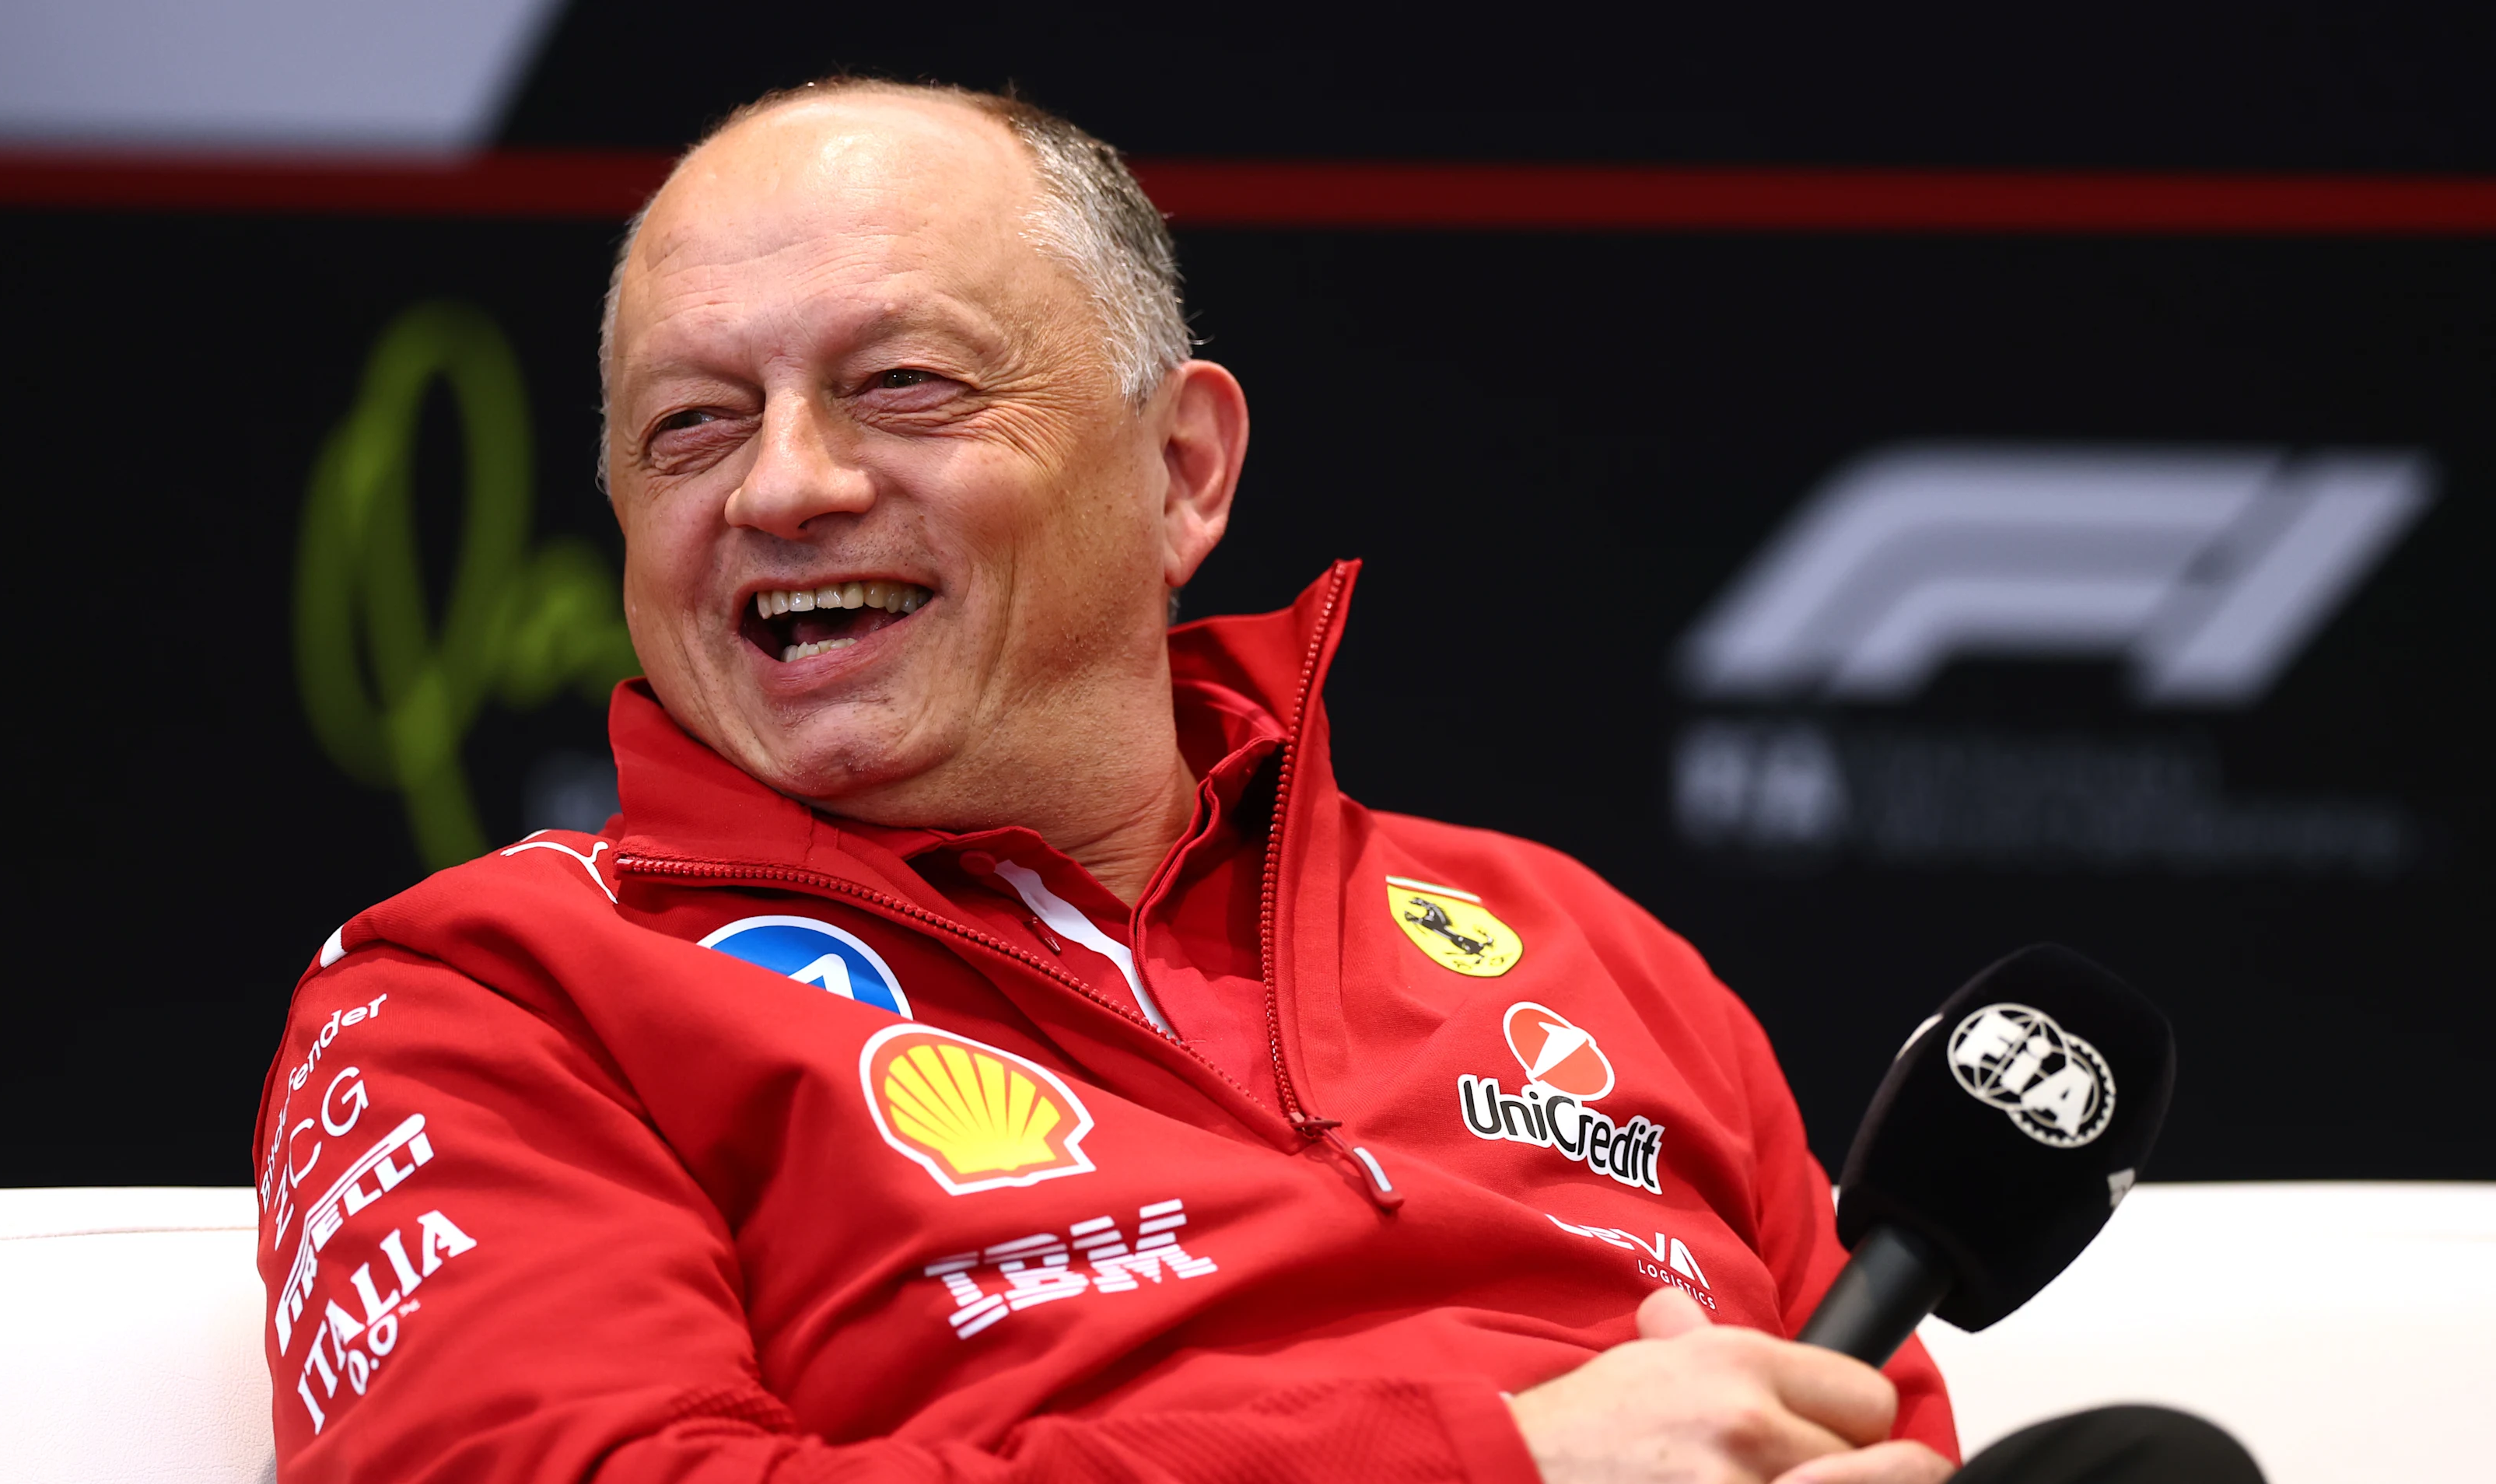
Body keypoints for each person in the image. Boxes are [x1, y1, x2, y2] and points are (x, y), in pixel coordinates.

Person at [254, 79, 2260, 1484]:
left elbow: (1872, 1439)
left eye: (903, 388)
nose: (783, 484)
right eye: (690, 427)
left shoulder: (1587, 951)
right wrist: (1484, 1467)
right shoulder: (490, 996)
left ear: (1184, 473)